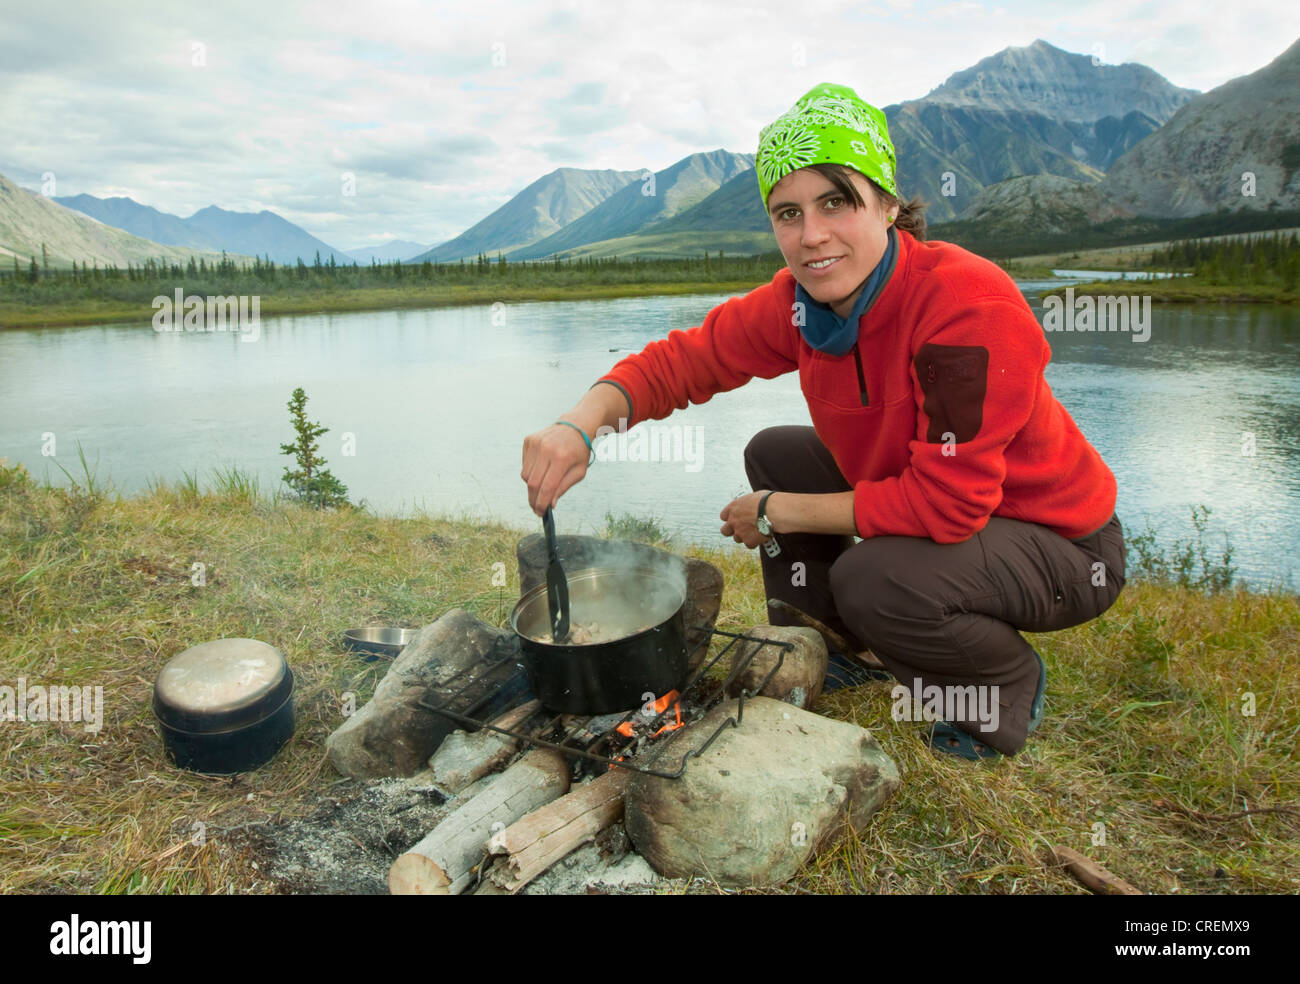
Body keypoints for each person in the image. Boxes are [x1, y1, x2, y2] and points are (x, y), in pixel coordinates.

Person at [520, 82, 1125, 760]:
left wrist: (778, 511)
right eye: (787, 213)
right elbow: (684, 362)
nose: (811, 237)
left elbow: (950, 508)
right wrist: (581, 423)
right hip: (951, 507)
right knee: (775, 449)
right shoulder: (802, 304)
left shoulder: (966, 306)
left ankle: (999, 690)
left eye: (836, 202)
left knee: (874, 577)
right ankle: (832, 643)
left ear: (889, 204)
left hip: (1063, 546)